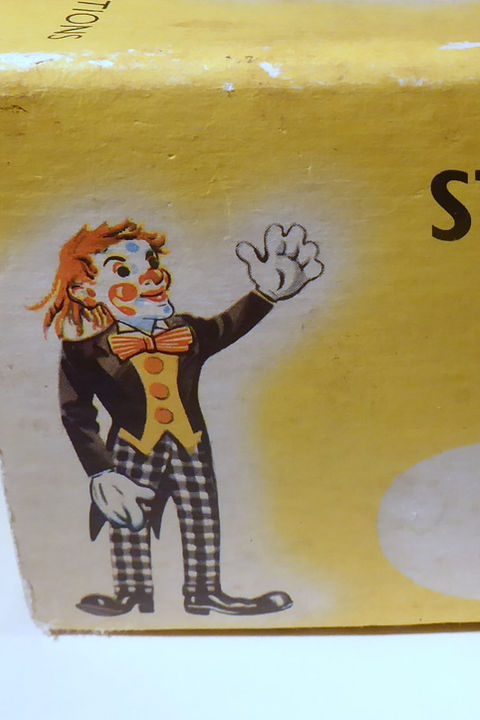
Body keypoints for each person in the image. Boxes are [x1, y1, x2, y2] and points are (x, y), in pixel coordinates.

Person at [37, 219, 323, 618]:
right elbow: (76, 411)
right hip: (132, 447)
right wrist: (100, 470)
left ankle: (205, 591)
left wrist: (266, 295)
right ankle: (132, 592)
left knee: (202, 517)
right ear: (87, 291)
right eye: (124, 271)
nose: (152, 276)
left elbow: (227, 327)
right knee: (129, 519)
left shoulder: (187, 331)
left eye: (151, 262)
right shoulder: (83, 352)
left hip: (190, 443)